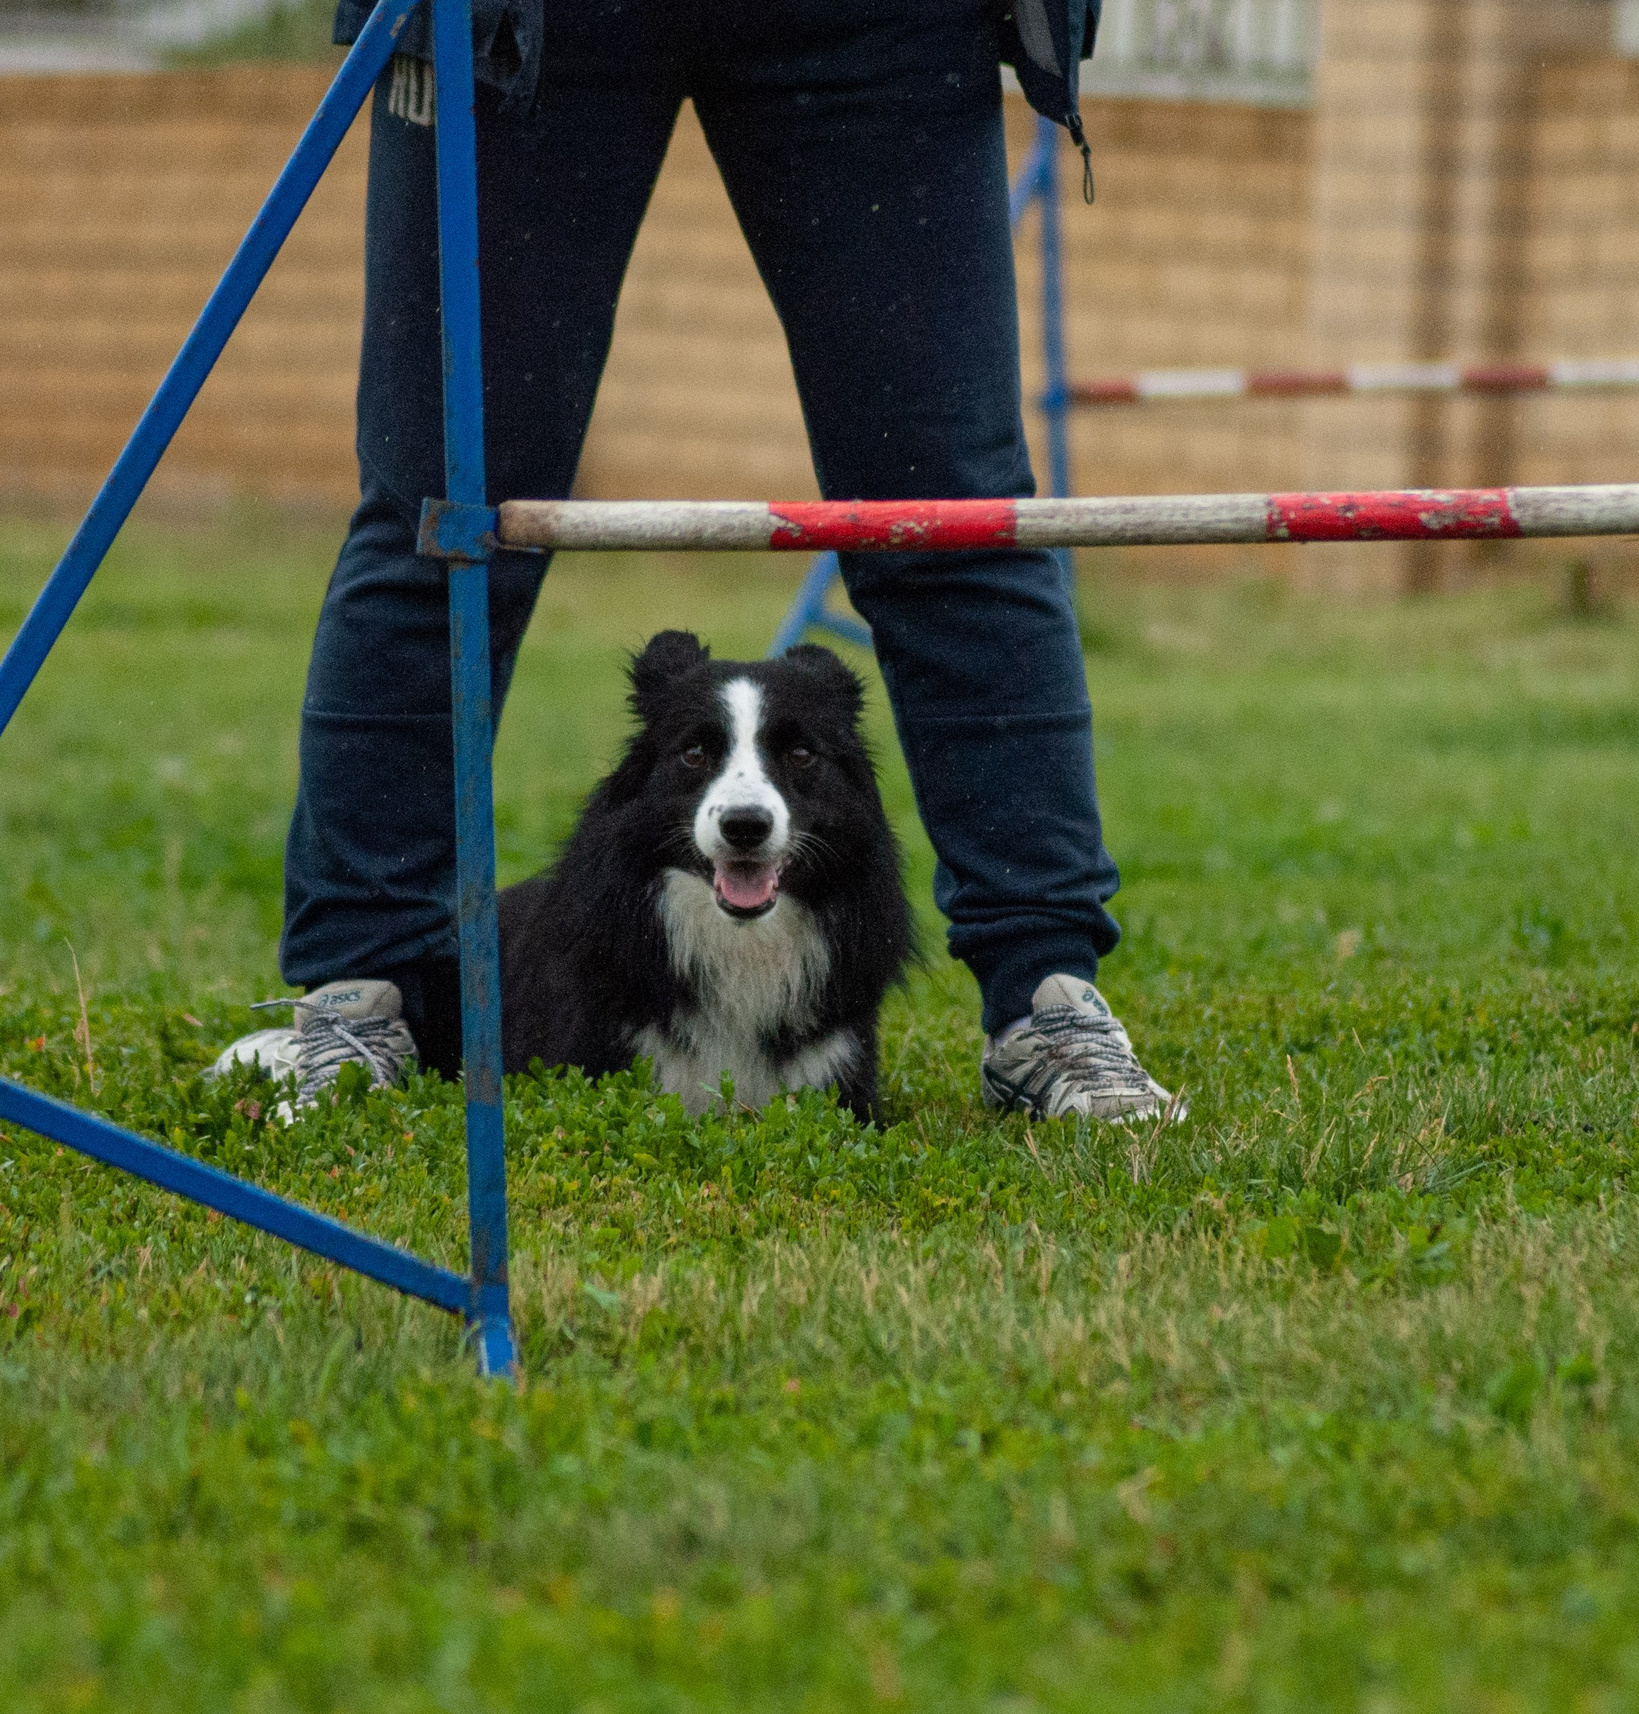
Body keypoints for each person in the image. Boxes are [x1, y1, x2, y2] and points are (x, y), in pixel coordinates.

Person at [215, 0, 1179, 1122]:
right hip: (527, 27)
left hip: (885, 27)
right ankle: (360, 998)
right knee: (440, 521)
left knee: (953, 522)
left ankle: (1045, 1008)